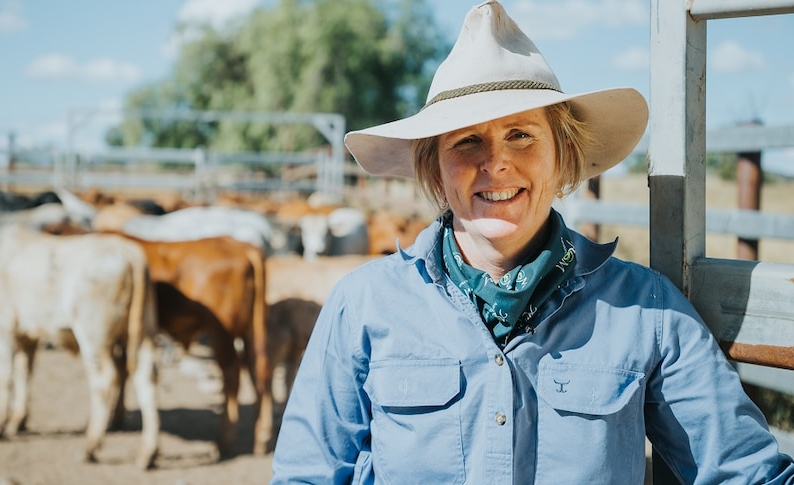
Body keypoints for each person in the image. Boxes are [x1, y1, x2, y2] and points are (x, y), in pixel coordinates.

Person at [270, 1, 794, 483]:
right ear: (434, 166)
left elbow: (746, 472)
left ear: (562, 154)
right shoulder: (364, 304)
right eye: (467, 139)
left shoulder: (646, 310)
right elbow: (307, 475)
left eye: (521, 133)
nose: (496, 161)